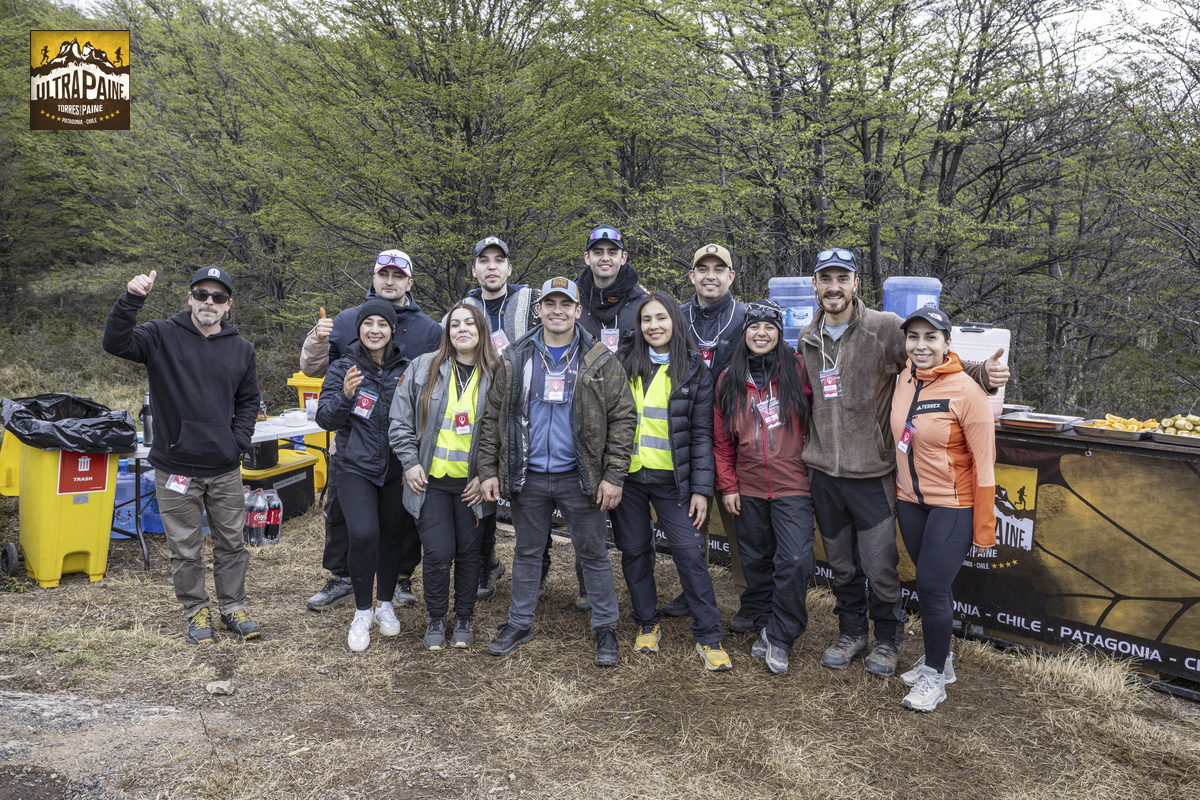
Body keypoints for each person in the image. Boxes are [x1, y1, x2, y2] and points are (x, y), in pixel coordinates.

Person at [797, 248, 1007, 677]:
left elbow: (930, 359)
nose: (834, 287)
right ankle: (851, 632)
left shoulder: (885, 327)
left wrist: (981, 374)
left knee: (879, 567)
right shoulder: (807, 336)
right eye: (826, 279)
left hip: (871, 473)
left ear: (856, 284)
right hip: (823, 473)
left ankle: (888, 638)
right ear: (815, 285)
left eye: (842, 278)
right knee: (841, 565)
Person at [478, 277, 637, 667]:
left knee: (593, 553)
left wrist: (613, 476)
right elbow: (492, 418)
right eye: (550, 303)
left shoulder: (599, 359)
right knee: (527, 552)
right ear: (539, 310)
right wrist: (488, 470)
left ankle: (605, 628)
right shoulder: (515, 357)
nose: (557, 310)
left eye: (566, 304)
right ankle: (519, 623)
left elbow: (623, 418)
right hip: (528, 474)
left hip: (579, 475)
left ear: (578, 310)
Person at [103, 266, 261, 645]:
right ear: (189, 298)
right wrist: (132, 299)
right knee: (185, 549)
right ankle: (196, 611)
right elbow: (115, 342)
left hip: (224, 468)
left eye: (218, 297)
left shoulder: (241, 349)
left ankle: (232, 607)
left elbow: (248, 401)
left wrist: (236, 443)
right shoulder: (160, 335)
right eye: (201, 294)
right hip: (175, 467)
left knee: (232, 544)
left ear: (228, 305)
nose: (209, 302)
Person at [300, 250, 440, 613]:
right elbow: (315, 370)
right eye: (384, 274)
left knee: (402, 520)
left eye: (398, 275)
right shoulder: (346, 319)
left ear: (410, 282)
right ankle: (342, 578)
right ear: (374, 278)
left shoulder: (429, 329)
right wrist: (316, 339)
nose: (390, 281)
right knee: (343, 515)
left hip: (400, 450)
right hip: (355, 446)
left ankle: (400, 579)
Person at [609, 292, 731, 672]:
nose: (654, 326)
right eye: (646, 319)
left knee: (689, 552)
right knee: (635, 551)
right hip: (628, 480)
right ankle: (647, 622)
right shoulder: (624, 363)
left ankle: (708, 633)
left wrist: (701, 490)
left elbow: (701, 435)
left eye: (661, 318)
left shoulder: (694, 369)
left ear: (675, 321)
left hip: (673, 483)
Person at [890, 307, 996, 711]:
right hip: (910, 501)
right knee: (934, 586)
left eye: (931, 337)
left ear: (947, 343)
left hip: (953, 505)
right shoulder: (904, 377)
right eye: (913, 337)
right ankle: (943, 660)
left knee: (931, 589)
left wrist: (983, 525)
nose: (921, 345)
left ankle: (934, 677)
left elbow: (985, 464)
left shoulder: (967, 392)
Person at [389, 303, 500, 650]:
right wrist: (410, 462)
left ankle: (464, 617)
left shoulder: (497, 372)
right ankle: (436, 617)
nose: (462, 329)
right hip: (430, 482)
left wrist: (487, 474)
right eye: (455, 325)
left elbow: (506, 432)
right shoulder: (424, 367)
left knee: (469, 553)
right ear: (447, 332)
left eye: (469, 323)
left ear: (481, 330)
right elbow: (399, 419)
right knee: (438, 553)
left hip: (472, 486)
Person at [713, 300, 815, 675]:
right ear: (744, 332)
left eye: (769, 327)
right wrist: (728, 485)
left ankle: (780, 635)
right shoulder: (729, 378)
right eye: (754, 327)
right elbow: (721, 441)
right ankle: (762, 618)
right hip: (749, 485)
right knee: (755, 559)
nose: (761, 333)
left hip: (793, 483)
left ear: (780, 333)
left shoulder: (798, 369)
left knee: (795, 559)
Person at [662, 243, 752, 630]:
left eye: (719, 269)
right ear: (692, 275)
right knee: (691, 524)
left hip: (733, 438)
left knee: (740, 527)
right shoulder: (676, 318)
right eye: (703, 269)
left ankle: (750, 600)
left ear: (731, 276)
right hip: (688, 437)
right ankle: (692, 591)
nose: (710, 276)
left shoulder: (746, 318)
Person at [316, 300, 410, 652]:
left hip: (396, 467)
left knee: (391, 536)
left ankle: (384, 605)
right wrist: (345, 395)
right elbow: (325, 419)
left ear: (392, 330)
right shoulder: (344, 367)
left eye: (382, 324)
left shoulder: (406, 367)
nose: (374, 330)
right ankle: (361, 611)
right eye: (368, 323)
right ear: (359, 329)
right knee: (364, 533)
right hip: (355, 465)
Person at [457, 236, 541, 602]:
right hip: (480, 413)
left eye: (498, 260)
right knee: (481, 485)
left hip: (527, 412)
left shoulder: (532, 301)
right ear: (474, 269)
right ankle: (485, 563)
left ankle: (537, 569)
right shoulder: (463, 308)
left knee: (532, 495)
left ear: (509, 267)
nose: (491, 266)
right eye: (484, 260)